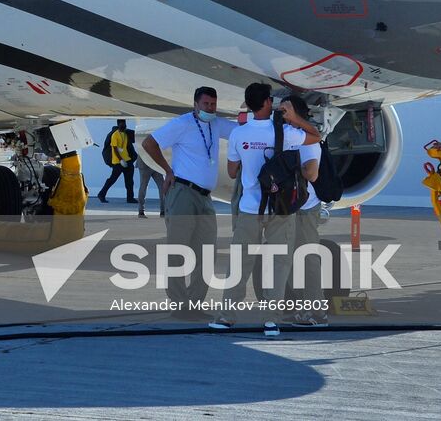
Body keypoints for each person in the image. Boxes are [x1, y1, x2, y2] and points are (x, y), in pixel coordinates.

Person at [212, 82, 321, 337]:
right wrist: (294, 118)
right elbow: (316, 136)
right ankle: (271, 320)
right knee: (279, 264)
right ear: (267, 103)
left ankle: (227, 317)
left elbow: (231, 171)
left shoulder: (239, 134)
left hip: (250, 208)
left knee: (239, 264)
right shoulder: (285, 132)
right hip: (280, 208)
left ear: (249, 104)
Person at [141, 87, 238, 317]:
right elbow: (149, 143)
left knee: (207, 251)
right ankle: (179, 304)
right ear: (195, 104)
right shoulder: (182, 124)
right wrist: (167, 170)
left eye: (213, 104)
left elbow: (241, 130)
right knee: (177, 250)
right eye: (206, 104)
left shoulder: (217, 124)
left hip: (205, 197)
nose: (210, 109)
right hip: (183, 192)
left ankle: (194, 304)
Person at [284, 95, 328, 328]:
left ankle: (316, 312)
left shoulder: (308, 140)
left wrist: (288, 168)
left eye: (286, 112)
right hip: (291, 207)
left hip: (305, 207)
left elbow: (312, 173)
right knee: (291, 260)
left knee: (307, 259)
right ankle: (302, 307)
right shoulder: (291, 136)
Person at [97, 119, 136, 203]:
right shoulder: (114, 135)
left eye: (124, 124)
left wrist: (129, 159)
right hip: (118, 162)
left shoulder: (125, 134)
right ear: (118, 124)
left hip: (127, 160)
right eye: (122, 124)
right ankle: (101, 194)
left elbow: (126, 147)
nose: (124, 125)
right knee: (112, 179)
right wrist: (121, 160)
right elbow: (114, 149)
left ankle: (130, 198)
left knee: (129, 181)